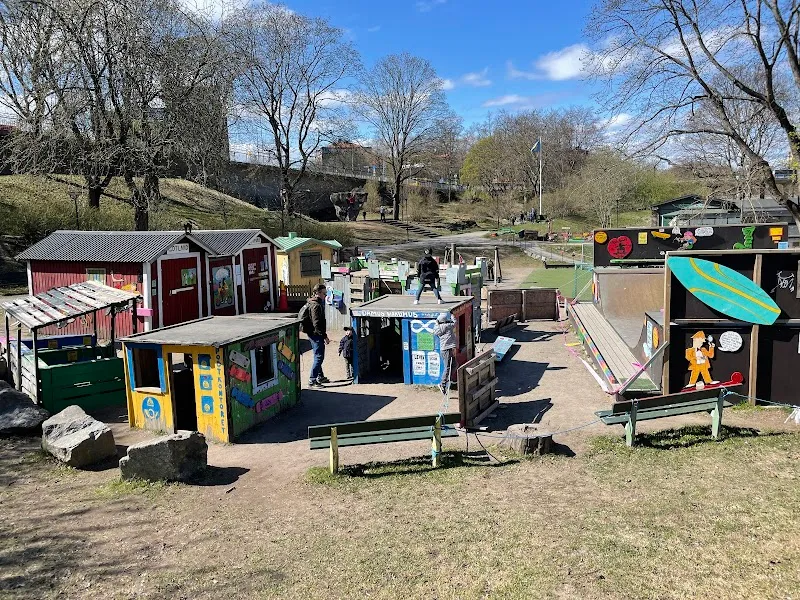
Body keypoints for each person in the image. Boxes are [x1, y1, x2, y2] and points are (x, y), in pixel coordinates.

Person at [301, 284, 330, 387]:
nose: (325, 295)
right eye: (324, 293)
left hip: (313, 334)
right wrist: (324, 336)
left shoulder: (313, 303)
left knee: (317, 355)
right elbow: (316, 323)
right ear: (317, 293)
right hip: (315, 334)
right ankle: (312, 380)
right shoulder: (316, 305)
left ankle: (319, 376)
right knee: (319, 357)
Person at [433, 313, 456, 395]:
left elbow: (436, 326)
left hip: (445, 349)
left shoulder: (437, 327)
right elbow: (455, 323)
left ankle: (448, 380)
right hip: (447, 349)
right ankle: (442, 384)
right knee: (447, 367)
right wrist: (452, 315)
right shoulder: (448, 326)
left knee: (454, 365)